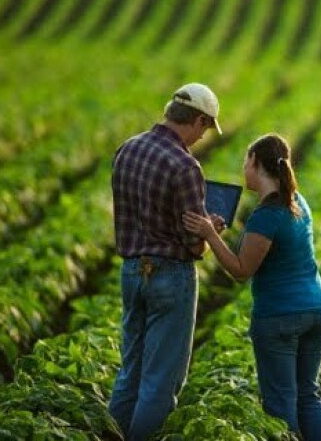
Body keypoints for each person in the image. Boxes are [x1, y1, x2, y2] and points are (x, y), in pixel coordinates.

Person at [183, 134, 321, 440]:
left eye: (245, 160)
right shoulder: (297, 202)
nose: (243, 167)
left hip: (281, 316)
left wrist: (211, 235)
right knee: (308, 395)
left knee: (280, 403)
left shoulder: (267, 216)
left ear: (255, 163)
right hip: (318, 309)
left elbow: (241, 270)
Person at [108, 83, 226, 440]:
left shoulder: (127, 150)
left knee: (131, 372)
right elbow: (193, 245)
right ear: (199, 120)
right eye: (206, 128)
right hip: (170, 276)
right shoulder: (185, 166)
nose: (204, 136)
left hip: (132, 270)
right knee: (161, 382)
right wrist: (210, 232)